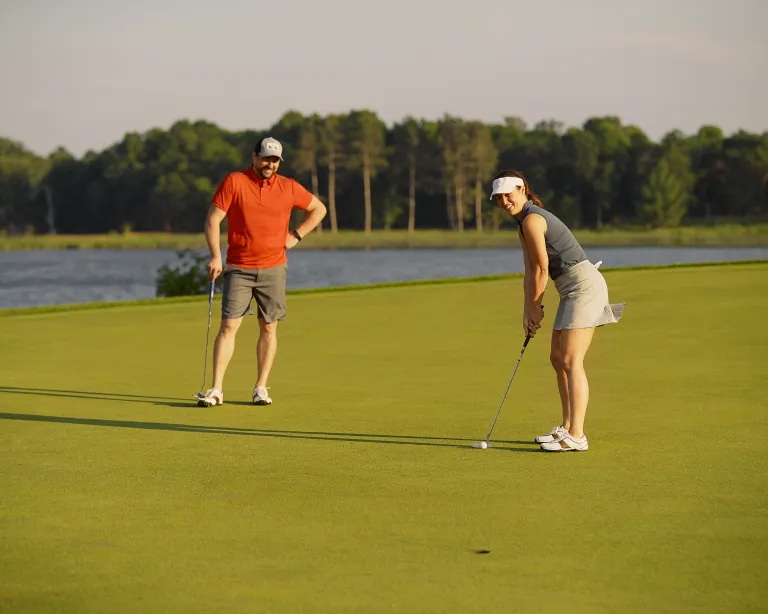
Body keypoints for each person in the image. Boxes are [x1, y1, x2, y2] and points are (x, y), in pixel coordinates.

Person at [490, 170, 625, 452]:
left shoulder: (533, 219)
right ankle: (565, 427)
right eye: (499, 197)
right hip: (568, 289)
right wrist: (529, 309)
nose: (504, 201)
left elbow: (541, 268)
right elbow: (530, 270)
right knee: (557, 358)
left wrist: (537, 306)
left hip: (584, 287)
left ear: (522, 190)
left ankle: (577, 435)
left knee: (572, 359)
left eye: (508, 195)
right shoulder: (522, 223)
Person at [198, 137, 327, 407]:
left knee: (269, 327)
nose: (270, 164)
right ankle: (217, 389)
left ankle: (260, 388)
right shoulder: (235, 181)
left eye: (275, 160)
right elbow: (213, 219)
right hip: (239, 267)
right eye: (266, 158)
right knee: (229, 326)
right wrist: (214, 256)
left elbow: (319, 209)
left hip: (274, 267)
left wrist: (296, 235)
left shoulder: (288, 186)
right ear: (254, 157)